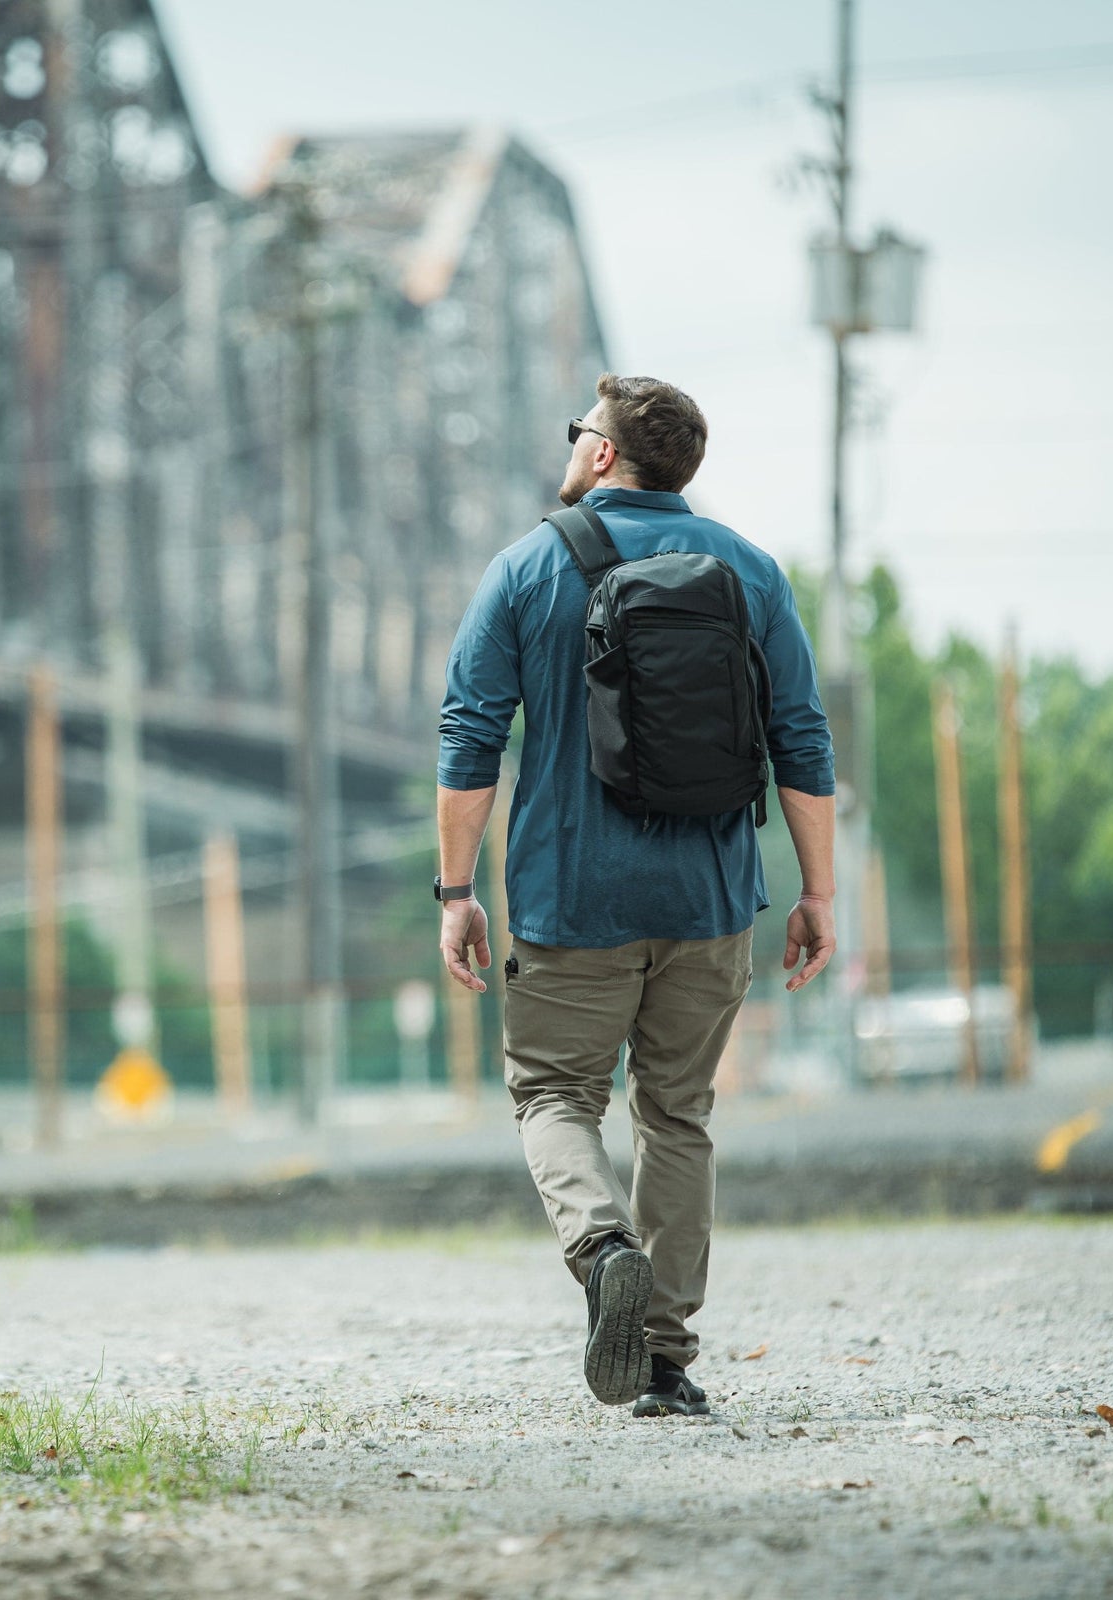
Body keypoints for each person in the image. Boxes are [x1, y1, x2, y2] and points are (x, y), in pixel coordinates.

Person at [434, 374, 836, 1418]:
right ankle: (662, 1357)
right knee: (679, 1114)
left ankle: (603, 1246)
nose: (572, 445)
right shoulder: (749, 569)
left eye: (581, 432)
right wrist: (818, 892)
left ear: (604, 455)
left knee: (556, 1096)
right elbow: (802, 740)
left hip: (573, 899)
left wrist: (455, 889)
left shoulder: (527, 567)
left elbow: (470, 738)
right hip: (710, 896)